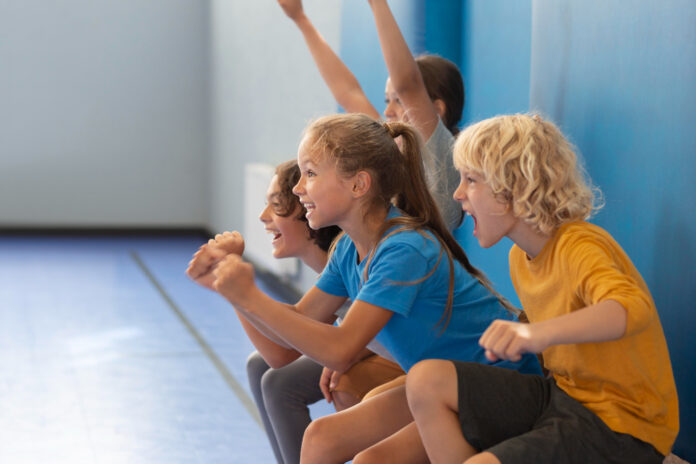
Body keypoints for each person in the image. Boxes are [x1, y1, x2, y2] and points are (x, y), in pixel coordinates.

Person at [193, 113, 541, 464]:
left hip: (499, 385)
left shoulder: (405, 248)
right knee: (321, 437)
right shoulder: (347, 247)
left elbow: (340, 350)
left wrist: (247, 294)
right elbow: (284, 350)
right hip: (444, 381)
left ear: (359, 185)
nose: (298, 188)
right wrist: (230, 287)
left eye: (310, 173)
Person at [406, 114, 679, 463]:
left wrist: (537, 334)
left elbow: (630, 308)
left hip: (624, 425)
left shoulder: (579, 244)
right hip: (562, 397)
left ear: (514, 188)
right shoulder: (519, 258)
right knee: (426, 380)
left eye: (471, 179)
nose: (458, 193)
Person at [187, 160, 404, 464]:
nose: (263, 217)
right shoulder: (341, 257)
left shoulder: (384, 252)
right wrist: (232, 288)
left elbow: (287, 353)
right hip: (384, 353)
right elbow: (283, 344)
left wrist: (239, 291)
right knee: (260, 365)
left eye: (276, 206)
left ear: (307, 211)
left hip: (422, 366)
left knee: (285, 382)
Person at [277, 0, 464, 231]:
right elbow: (348, 94)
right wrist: (301, 20)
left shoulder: (443, 156)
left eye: (399, 101)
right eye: (387, 100)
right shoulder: (395, 152)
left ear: (436, 109)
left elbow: (408, 84)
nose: (388, 111)